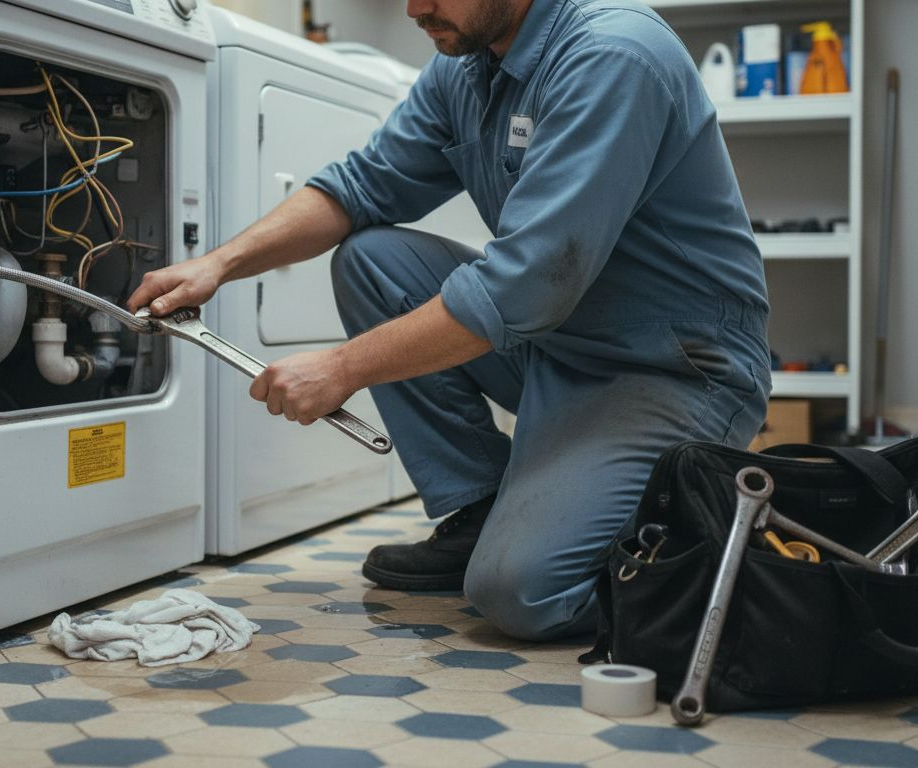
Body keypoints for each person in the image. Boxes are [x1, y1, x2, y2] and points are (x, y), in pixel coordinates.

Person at [128, 0, 770, 641]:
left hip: (671, 367)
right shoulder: (468, 63)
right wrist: (219, 264)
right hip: (557, 345)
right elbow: (361, 187)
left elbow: (523, 288)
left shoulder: (612, 54)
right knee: (374, 260)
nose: (414, 8)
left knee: (522, 593)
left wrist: (341, 367)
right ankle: (485, 509)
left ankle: (727, 551)